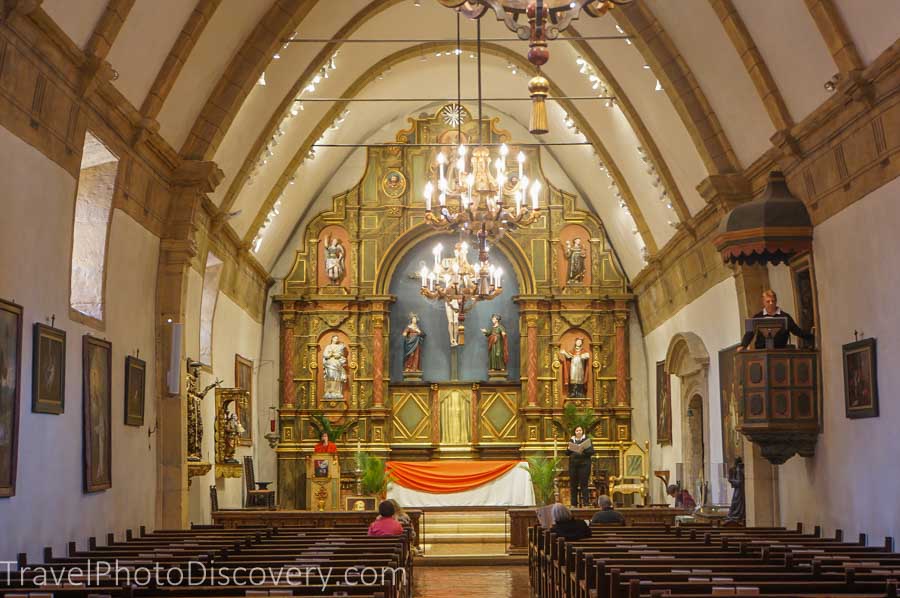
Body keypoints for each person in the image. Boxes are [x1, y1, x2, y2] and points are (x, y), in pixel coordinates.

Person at [738, 289, 814, 351]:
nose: (771, 303)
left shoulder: (785, 316)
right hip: (761, 351)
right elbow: (749, 333)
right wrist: (743, 345)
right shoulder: (758, 316)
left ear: (776, 301)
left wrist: (811, 337)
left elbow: (796, 331)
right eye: (768, 301)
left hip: (780, 351)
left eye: (773, 301)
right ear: (763, 302)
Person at [566, 426, 595, 507]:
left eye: (580, 430)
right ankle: (573, 504)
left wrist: (582, 449)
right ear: (574, 432)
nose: (578, 432)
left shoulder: (587, 440)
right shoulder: (572, 440)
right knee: (573, 485)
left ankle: (586, 504)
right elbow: (566, 453)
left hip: (584, 465)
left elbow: (592, 451)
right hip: (573, 465)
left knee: (584, 484)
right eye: (577, 430)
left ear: (582, 431)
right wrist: (569, 448)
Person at [322, 335, 347, 399]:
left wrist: (337, 355)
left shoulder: (339, 347)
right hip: (329, 364)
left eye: (337, 339)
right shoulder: (328, 346)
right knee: (330, 377)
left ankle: (337, 392)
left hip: (337, 364)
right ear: (332, 339)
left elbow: (341, 355)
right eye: (335, 338)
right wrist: (330, 354)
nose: (336, 340)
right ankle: (329, 391)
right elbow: (325, 355)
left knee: (337, 377)